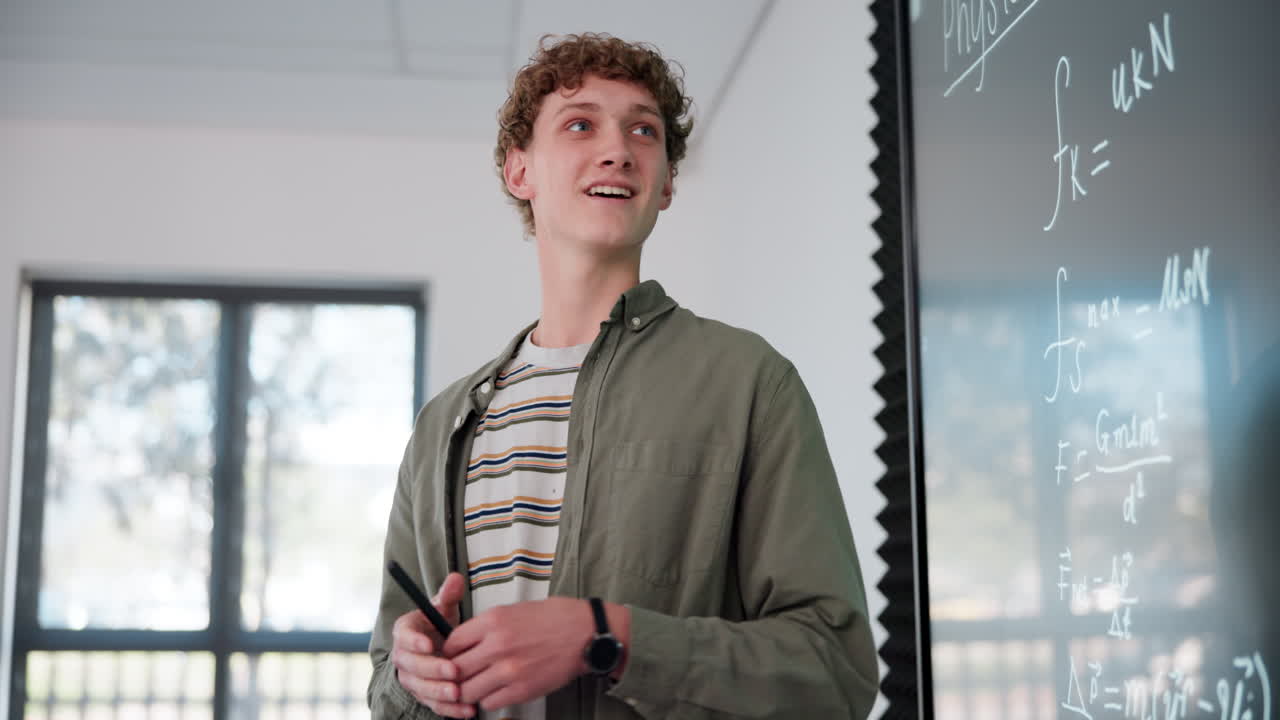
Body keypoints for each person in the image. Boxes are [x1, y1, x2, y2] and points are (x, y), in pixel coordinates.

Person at [367, 33, 879, 720]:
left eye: (644, 130)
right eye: (580, 125)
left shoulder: (749, 382)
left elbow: (834, 672)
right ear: (520, 171)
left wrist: (606, 638)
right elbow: (384, 682)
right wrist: (411, 675)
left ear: (666, 183)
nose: (618, 149)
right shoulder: (441, 426)